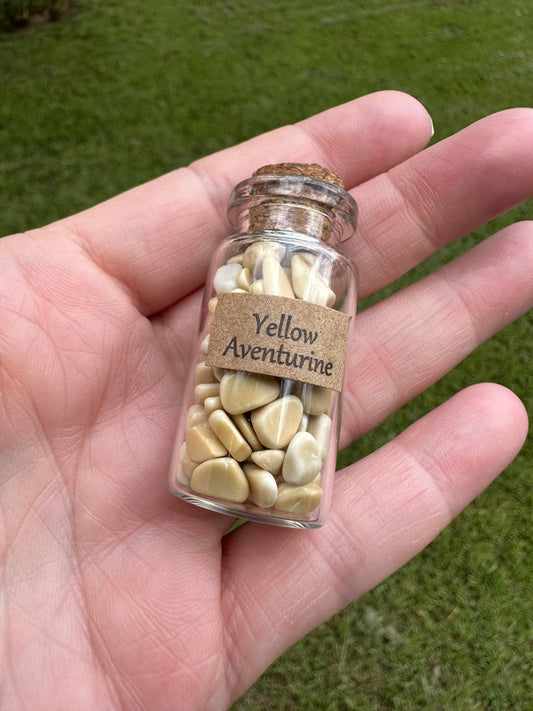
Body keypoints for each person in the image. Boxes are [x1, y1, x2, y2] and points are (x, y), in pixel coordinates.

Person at [0, 90, 531, 711]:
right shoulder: (236, 260)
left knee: (277, 439)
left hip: (276, 468)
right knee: (232, 416)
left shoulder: (328, 273)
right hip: (214, 464)